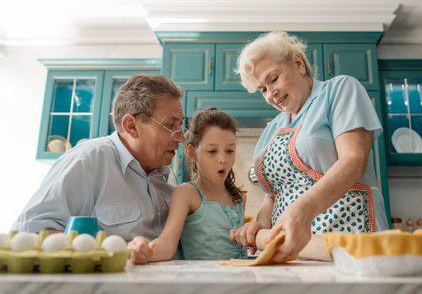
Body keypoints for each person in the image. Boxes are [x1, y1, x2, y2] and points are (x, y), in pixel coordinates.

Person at [230, 31, 389, 263]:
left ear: (298, 64)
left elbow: (354, 160)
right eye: (262, 89)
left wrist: (302, 210)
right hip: (295, 251)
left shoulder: (339, 90)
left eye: (273, 79)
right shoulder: (271, 130)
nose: (270, 94)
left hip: (351, 238)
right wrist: (261, 225)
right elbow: (272, 195)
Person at [12, 74, 186, 258]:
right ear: (131, 126)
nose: (181, 137)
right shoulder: (87, 161)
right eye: (170, 125)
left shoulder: (168, 176)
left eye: (180, 125)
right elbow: (29, 233)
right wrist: (117, 248)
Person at [128, 107, 247, 264]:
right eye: (212, 151)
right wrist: (146, 250)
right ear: (192, 153)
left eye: (230, 150)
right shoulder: (186, 193)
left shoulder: (239, 198)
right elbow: (167, 243)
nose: (223, 159)